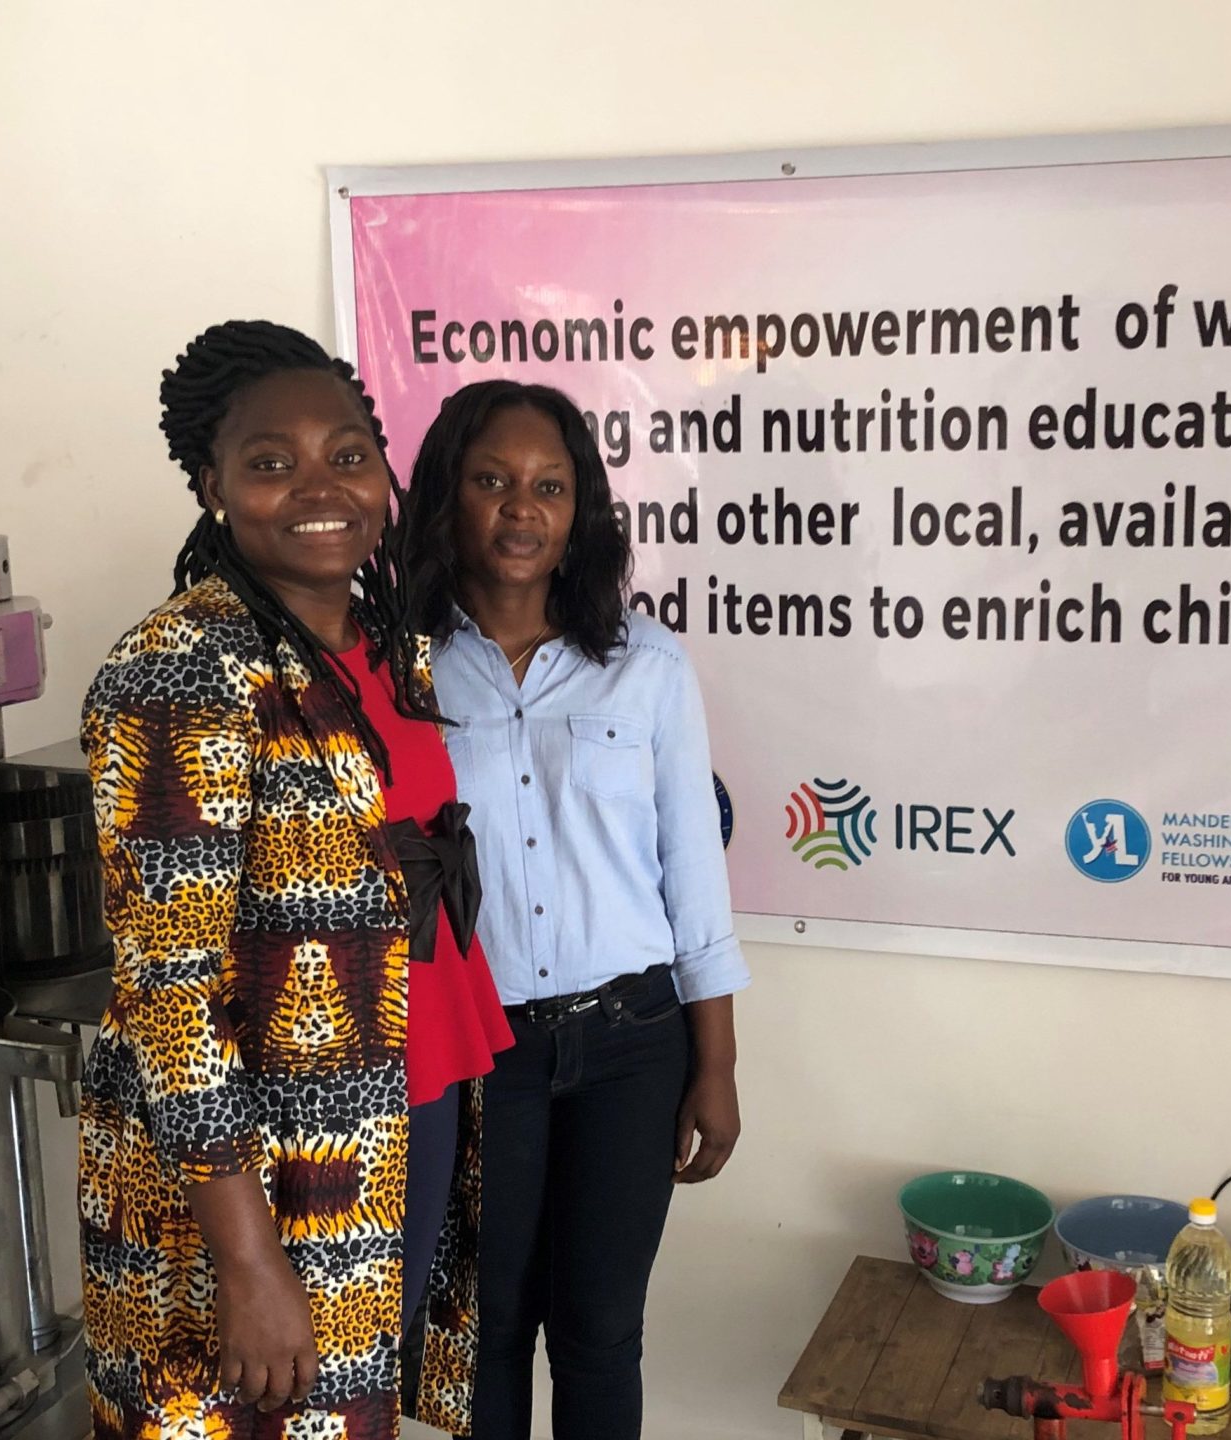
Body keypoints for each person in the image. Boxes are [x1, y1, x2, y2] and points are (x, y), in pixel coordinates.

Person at [78, 321, 513, 1439]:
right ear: (211, 485)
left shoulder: (384, 644)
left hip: (406, 1099)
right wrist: (247, 1259)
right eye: (271, 462)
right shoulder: (181, 668)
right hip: (271, 1169)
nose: (320, 488)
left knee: (353, 1416)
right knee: (261, 1421)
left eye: (348, 453)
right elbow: (168, 994)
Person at [398, 380, 748, 1440]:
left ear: (579, 509)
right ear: (448, 498)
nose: (520, 508)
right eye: (492, 481)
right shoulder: (398, 666)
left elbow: (692, 872)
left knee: (599, 1330)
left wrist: (717, 1064)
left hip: (632, 1046)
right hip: (478, 1050)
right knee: (491, 1326)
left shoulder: (645, 665)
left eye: (548, 487)